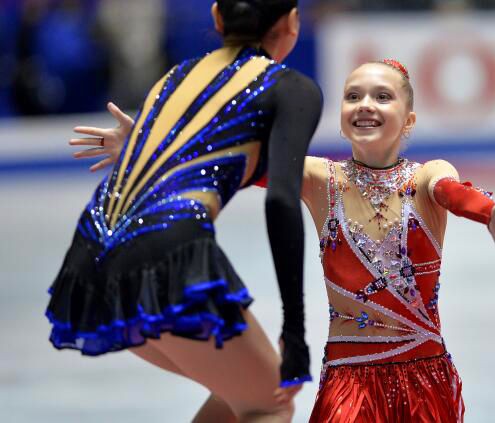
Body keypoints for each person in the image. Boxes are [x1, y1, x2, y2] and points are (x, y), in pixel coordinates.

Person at [76, 59, 495, 422]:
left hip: (425, 380)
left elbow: (453, 193)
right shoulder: (321, 178)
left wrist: (488, 215)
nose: (366, 105)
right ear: (340, 119)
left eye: (383, 97)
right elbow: (234, 160)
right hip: (349, 382)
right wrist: (146, 147)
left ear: (409, 119)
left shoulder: (427, 177)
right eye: (353, 96)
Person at [46, 1, 322, 422]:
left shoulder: (176, 76)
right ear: (293, 23)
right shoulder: (291, 87)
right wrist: (295, 330)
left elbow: (203, 154)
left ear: (216, 17)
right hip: (164, 251)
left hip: (89, 255)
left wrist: (142, 146)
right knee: (271, 400)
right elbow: (282, 199)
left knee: (240, 393)